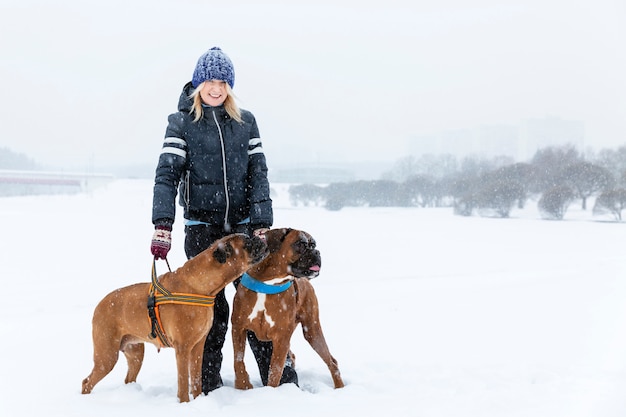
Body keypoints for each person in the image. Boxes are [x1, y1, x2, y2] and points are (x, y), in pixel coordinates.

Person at [150, 46, 297, 393]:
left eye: (222, 82)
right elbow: (166, 175)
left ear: (229, 85)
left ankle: (279, 380)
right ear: (198, 83)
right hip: (203, 231)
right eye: (209, 81)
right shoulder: (181, 123)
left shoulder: (246, 123)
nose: (215, 88)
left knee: (259, 300)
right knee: (210, 309)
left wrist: (261, 220)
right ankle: (209, 382)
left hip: (244, 231)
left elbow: (258, 173)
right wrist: (162, 224)